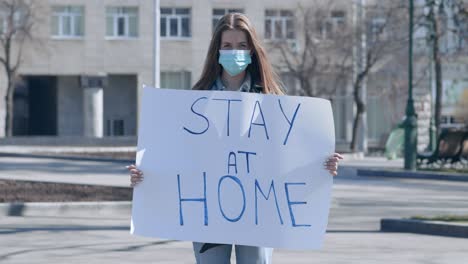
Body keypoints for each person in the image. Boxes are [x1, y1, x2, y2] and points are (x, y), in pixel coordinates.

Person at [127, 13, 343, 264]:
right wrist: (147, 174)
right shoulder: (194, 101)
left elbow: (290, 155)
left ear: (252, 50)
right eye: (227, 46)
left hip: (259, 213)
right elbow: (176, 154)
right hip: (207, 214)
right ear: (217, 51)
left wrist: (321, 164)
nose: (235, 52)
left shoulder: (274, 101)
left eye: (241, 46)